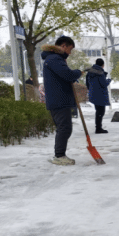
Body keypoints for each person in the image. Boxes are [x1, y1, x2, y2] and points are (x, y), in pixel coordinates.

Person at [42, 35, 82, 166]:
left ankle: (59, 154)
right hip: (59, 99)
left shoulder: (54, 59)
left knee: (64, 128)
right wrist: (78, 73)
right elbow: (68, 75)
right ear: (63, 46)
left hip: (59, 98)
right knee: (64, 128)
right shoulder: (54, 59)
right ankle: (59, 155)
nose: (70, 53)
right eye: (70, 49)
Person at [85, 58, 111, 134]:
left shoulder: (90, 72)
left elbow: (87, 83)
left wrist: (91, 90)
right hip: (100, 94)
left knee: (98, 110)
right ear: (103, 65)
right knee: (101, 112)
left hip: (93, 93)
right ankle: (98, 128)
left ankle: (98, 127)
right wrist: (108, 80)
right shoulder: (100, 73)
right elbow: (103, 84)